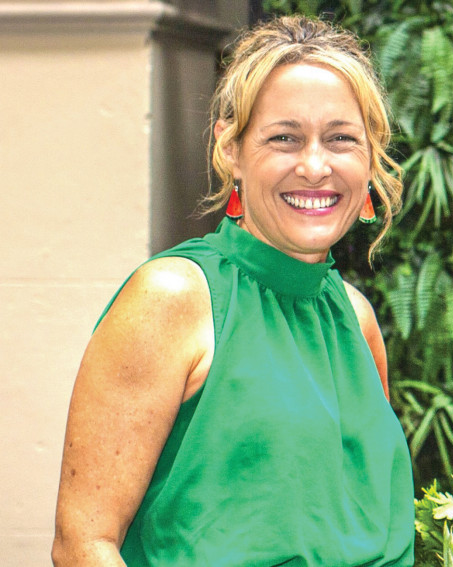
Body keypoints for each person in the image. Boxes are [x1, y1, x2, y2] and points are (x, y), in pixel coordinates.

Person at [52, 15, 414, 567]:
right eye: (284, 138)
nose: (315, 166)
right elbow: (83, 545)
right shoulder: (173, 297)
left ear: (371, 156)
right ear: (231, 148)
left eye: (341, 138)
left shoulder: (356, 317)